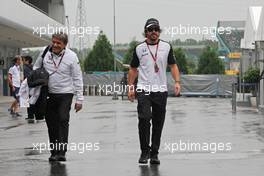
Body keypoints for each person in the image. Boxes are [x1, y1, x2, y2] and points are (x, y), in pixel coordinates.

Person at [128, 18, 181, 165]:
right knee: (144, 119)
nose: (154, 32)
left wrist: (177, 82)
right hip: (144, 89)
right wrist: (131, 87)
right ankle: (144, 152)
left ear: (159, 31)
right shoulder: (139, 48)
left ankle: (154, 153)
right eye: (150, 30)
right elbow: (133, 69)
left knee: (158, 122)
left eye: (156, 29)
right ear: (146, 32)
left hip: (160, 90)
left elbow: (173, 65)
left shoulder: (166, 47)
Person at [34, 32, 84, 162]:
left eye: (58, 43)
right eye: (53, 42)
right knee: (51, 123)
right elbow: (36, 66)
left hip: (65, 94)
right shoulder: (45, 52)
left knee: (62, 119)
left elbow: (77, 78)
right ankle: (54, 152)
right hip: (48, 93)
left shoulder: (72, 56)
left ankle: (62, 151)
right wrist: (38, 78)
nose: (55, 45)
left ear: (65, 45)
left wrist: (79, 99)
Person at [22, 56, 35, 122]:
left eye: (24, 60)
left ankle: (30, 115)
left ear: (27, 61)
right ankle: (32, 115)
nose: (23, 61)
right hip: (33, 86)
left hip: (28, 86)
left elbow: (27, 77)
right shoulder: (32, 67)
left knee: (29, 101)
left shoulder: (25, 68)